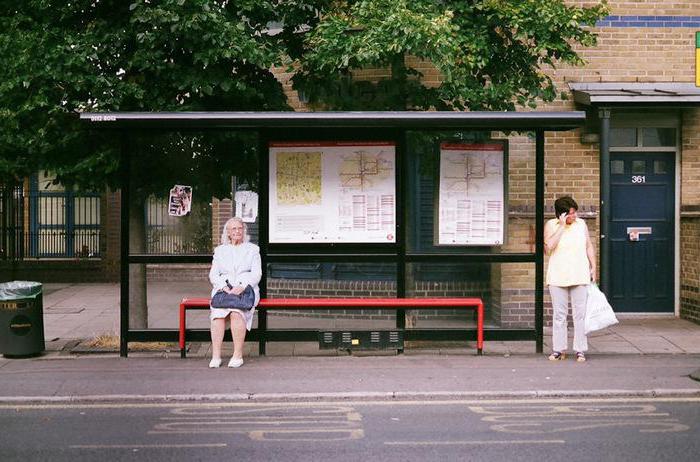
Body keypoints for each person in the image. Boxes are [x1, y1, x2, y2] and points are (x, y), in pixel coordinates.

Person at [544, 196, 596, 362]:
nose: (574, 216)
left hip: (579, 274)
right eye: (571, 214)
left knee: (579, 315)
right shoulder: (551, 225)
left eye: (575, 212)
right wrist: (561, 226)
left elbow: (588, 245)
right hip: (557, 275)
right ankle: (559, 349)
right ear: (562, 214)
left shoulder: (581, 224)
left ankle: (580, 349)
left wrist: (593, 266)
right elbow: (549, 247)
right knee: (559, 315)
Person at [208, 217, 261, 368]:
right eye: (234, 229)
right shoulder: (220, 251)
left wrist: (242, 286)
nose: (238, 231)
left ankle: (237, 355)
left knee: (236, 313)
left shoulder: (252, 249)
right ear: (228, 233)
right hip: (224, 290)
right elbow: (213, 275)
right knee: (218, 316)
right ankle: (216, 356)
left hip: (245, 290)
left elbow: (257, 274)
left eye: (240, 228)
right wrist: (223, 287)